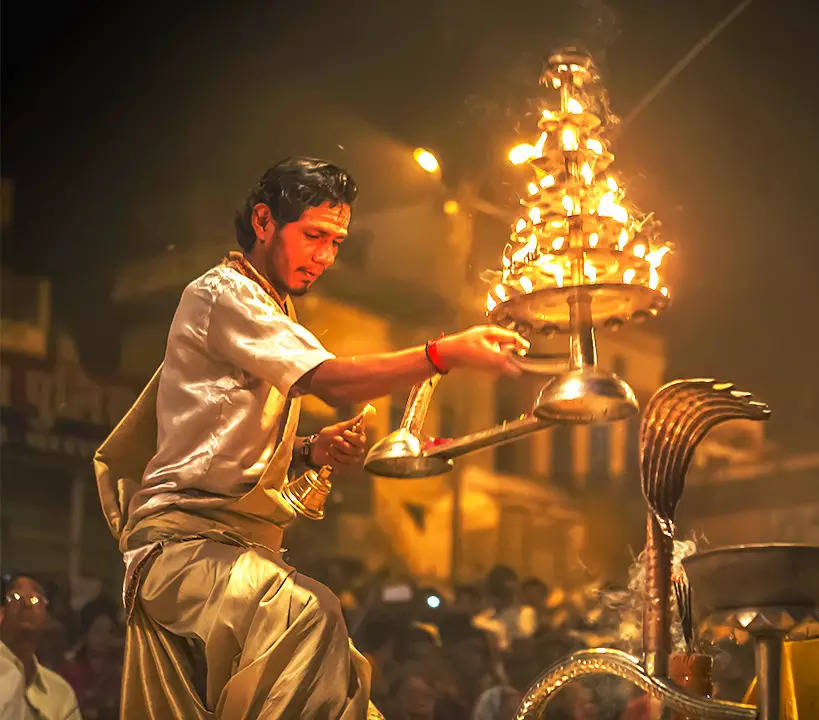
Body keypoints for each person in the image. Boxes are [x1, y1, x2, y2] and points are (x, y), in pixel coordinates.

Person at [94, 157, 529, 719]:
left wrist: (309, 450)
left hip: (240, 549)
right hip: (182, 547)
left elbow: (216, 427)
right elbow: (330, 379)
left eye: (337, 241)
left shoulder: (275, 307)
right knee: (309, 613)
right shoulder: (223, 293)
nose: (325, 256)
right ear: (263, 221)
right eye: (314, 236)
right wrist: (440, 355)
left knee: (342, 680)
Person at [0, 574, 82, 720]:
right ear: (2, 613)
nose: (26, 603)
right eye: (16, 597)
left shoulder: (60, 692)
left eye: (35, 599)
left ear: (46, 619)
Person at [58, 599, 123, 719]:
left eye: (109, 631)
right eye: (98, 630)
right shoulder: (71, 670)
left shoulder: (120, 669)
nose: (104, 637)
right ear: (85, 634)